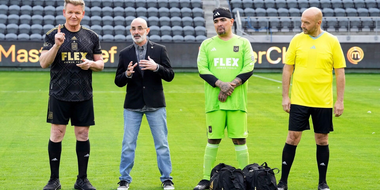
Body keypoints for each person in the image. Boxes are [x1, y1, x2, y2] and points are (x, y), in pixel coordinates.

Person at [277, 7, 346, 190]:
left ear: (318, 23)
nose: (302, 25)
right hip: (299, 100)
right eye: (302, 21)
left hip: (323, 101)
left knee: (322, 139)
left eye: (306, 22)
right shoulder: (297, 40)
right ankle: (283, 182)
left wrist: (339, 100)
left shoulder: (332, 41)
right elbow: (287, 68)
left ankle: (322, 183)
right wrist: (285, 96)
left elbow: (339, 72)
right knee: (292, 137)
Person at [39, 0, 104, 189]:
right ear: (64, 12)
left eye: (77, 12)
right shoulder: (53, 35)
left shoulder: (92, 36)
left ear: (82, 13)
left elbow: (100, 64)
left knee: (82, 135)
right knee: (57, 133)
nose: (73, 16)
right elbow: (43, 63)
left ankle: (82, 179)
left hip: (84, 94)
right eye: (70, 12)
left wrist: (90, 64)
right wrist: (57, 46)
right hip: (59, 93)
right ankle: (54, 180)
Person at [194, 7, 255, 190]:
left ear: (231, 22)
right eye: (216, 21)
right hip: (215, 102)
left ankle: (245, 177)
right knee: (213, 139)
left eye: (222, 20)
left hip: (237, 102)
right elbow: (202, 69)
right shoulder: (207, 44)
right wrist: (221, 85)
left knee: (239, 140)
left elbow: (248, 67)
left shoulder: (243, 43)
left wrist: (231, 86)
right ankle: (206, 179)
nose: (219, 24)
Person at [114, 18, 175, 190]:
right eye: (133, 28)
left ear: (147, 30)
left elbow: (170, 75)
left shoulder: (160, 50)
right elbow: (118, 81)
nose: (136, 31)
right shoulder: (125, 53)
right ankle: (124, 179)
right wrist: (126, 74)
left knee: (162, 144)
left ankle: (167, 179)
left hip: (155, 104)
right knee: (128, 144)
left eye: (140, 28)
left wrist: (156, 67)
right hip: (133, 105)